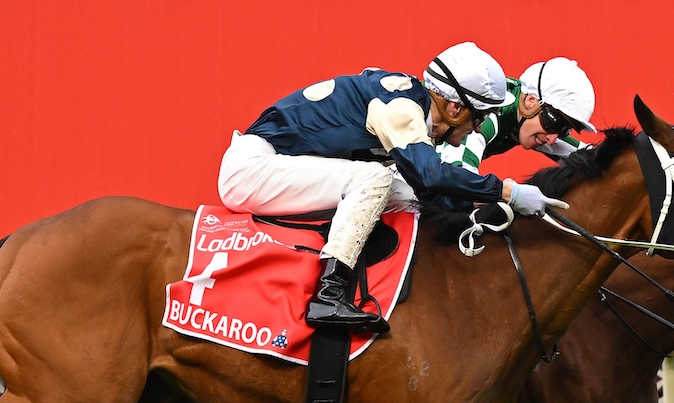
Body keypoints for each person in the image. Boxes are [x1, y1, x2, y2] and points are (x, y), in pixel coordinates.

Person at [217, 42, 568, 334]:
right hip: (253, 168)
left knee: (407, 193)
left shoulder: (410, 104)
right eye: (477, 118)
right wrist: (508, 192)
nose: (476, 129)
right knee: (376, 178)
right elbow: (431, 175)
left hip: (277, 167)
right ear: (455, 107)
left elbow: (426, 192)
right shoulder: (402, 107)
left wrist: (485, 208)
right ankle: (329, 295)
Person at [438, 57, 597, 173]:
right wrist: (505, 194)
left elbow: (597, 158)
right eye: (554, 122)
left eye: (564, 130)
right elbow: (455, 171)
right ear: (531, 101)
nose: (553, 138)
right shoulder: (491, 112)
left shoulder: (531, 121)